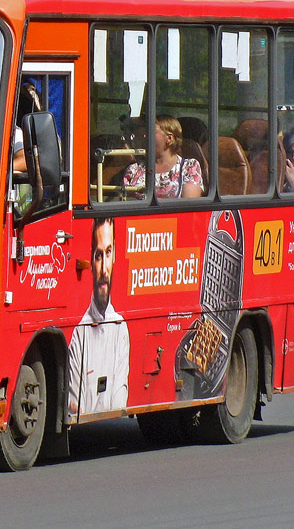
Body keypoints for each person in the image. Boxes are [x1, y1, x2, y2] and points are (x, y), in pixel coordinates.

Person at [67, 218, 130, 415]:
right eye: (98, 256)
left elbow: (120, 401)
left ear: (115, 256)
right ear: (91, 262)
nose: (104, 270)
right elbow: (73, 405)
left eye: (108, 253)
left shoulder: (120, 328)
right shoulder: (79, 332)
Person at [121, 115, 204, 199]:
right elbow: (127, 202)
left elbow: (189, 204)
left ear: (169, 138)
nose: (145, 136)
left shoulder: (189, 167)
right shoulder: (134, 169)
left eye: (151, 131)